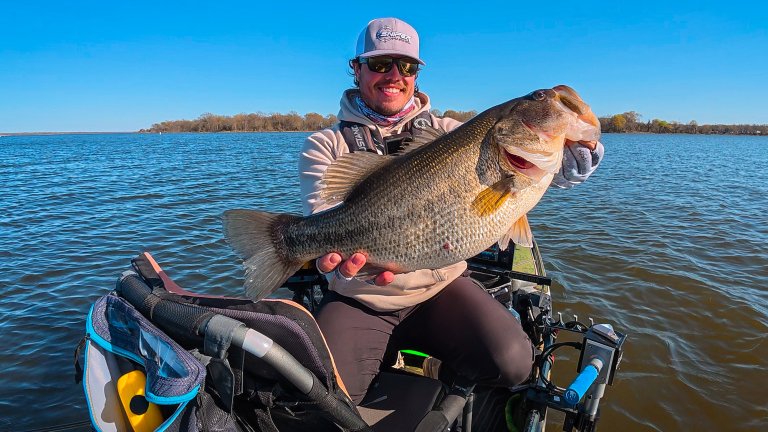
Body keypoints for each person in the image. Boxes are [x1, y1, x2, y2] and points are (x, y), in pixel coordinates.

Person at [298, 17, 603, 405]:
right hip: (361, 296)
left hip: (439, 287)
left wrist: (583, 153)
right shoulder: (325, 144)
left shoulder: (450, 131)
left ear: (416, 75)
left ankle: (432, 366)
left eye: (407, 66)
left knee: (513, 363)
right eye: (380, 64)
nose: (394, 75)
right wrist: (332, 249)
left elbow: (554, 175)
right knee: (324, 399)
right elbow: (327, 214)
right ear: (356, 69)